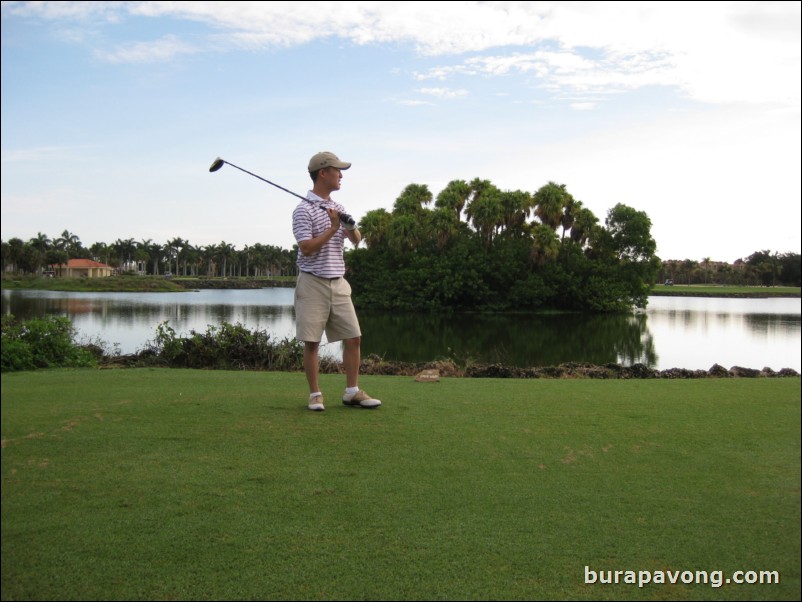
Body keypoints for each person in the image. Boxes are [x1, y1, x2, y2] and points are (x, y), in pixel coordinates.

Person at [292, 151, 381, 411]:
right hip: (312, 282)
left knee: (353, 337)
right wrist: (332, 228)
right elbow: (306, 248)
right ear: (323, 173)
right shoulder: (302, 210)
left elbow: (356, 240)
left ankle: (352, 391)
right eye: (337, 170)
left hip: (338, 281)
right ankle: (315, 395)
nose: (341, 175)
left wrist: (350, 226)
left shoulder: (338, 208)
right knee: (312, 342)